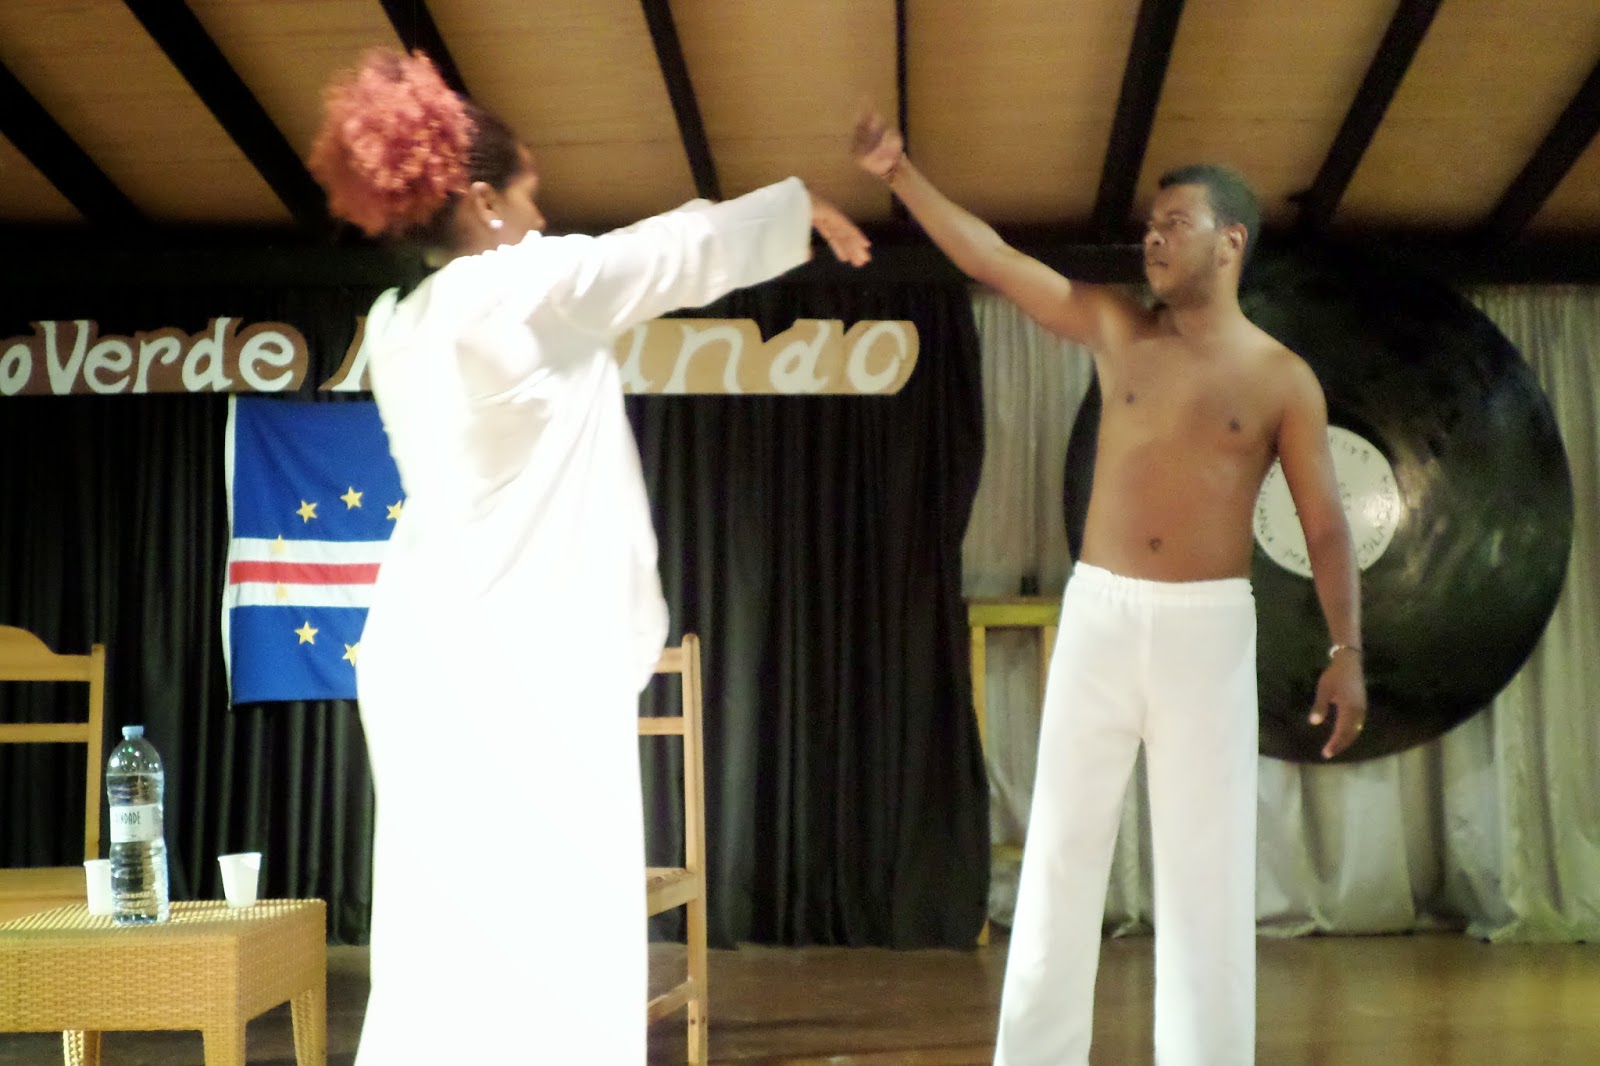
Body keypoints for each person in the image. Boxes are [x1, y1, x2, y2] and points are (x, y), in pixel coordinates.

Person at [307, 49, 871, 1064]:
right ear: (482, 202)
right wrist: (797, 208)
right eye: (529, 195)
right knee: (562, 925)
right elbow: (665, 254)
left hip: (427, 655)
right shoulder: (515, 287)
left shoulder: (397, 326)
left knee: (444, 938)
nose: (542, 218)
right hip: (519, 660)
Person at [852, 110, 1367, 1065]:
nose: (1154, 239)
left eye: (1176, 222)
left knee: (1207, 873)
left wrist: (1348, 649)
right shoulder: (1117, 328)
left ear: (1232, 240)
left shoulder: (1282, 378)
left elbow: (1328, 525)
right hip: (1101, 616)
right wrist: (901, 175)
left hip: (1207, 633)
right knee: (1060, 854)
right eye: (1151, 226)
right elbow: (996, 260)